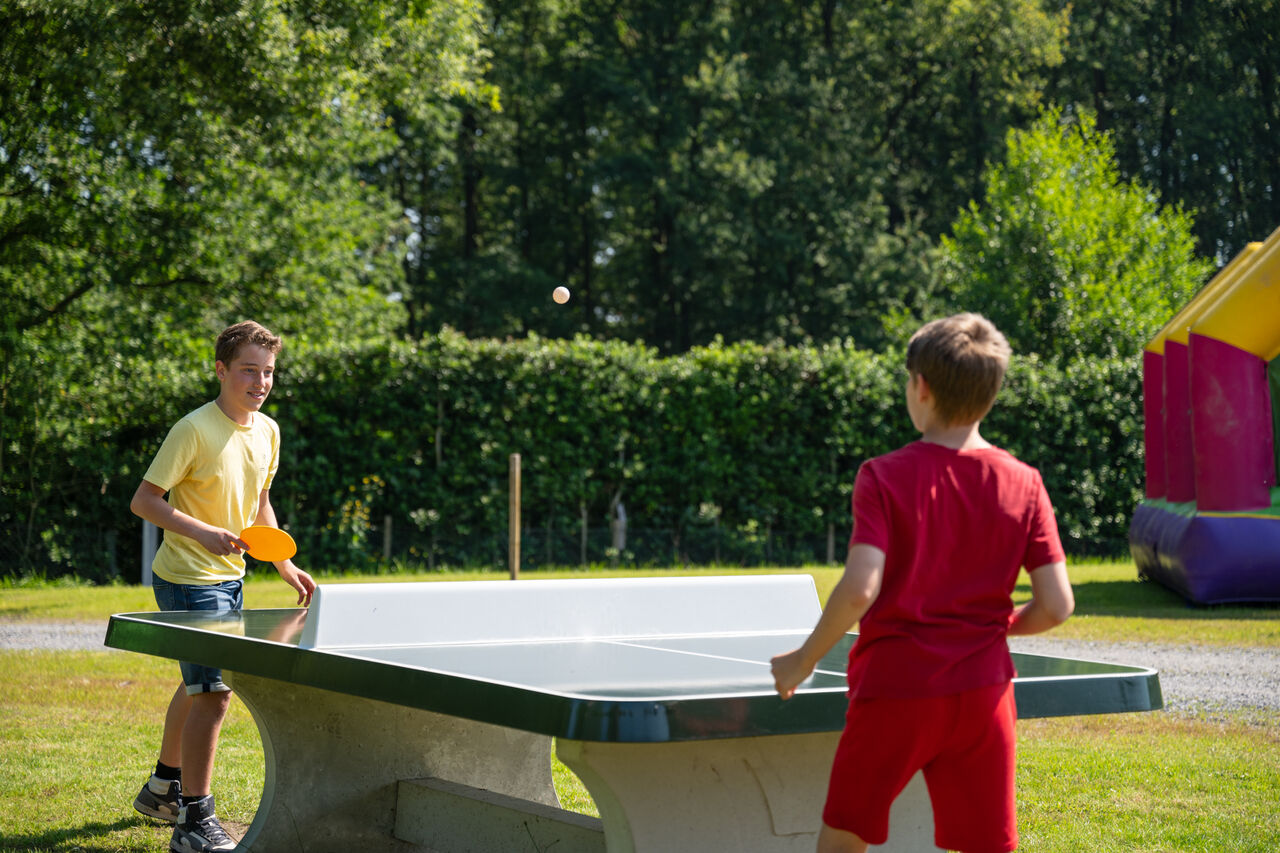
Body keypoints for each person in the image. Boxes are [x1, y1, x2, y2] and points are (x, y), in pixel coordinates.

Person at [771, 313, 1074, 853]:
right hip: (984, 693)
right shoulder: (1025, 483)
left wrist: (804, 659)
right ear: (992, 393)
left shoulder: (883, 476)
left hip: (896, 691)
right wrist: (996, 625)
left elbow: (861, 588)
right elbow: (1055, 605)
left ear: (921, 388)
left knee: (845, 834)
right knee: (986, 844)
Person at [129, 320, 315, 853]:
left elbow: (259, 506)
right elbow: (145, 501)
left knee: (198, 681)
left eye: (269, 372)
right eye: (248, 371)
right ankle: (194, 822)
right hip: (188, 577)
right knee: (215, 693)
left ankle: (165, 787)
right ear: (221, 370)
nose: (260, 382)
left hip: (229, 577)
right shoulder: (193, 429)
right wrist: (205, 533)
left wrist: (281, 561)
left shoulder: (268, 430)